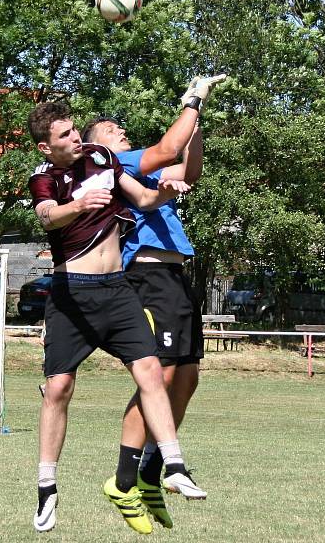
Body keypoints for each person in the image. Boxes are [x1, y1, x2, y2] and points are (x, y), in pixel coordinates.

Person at [27, 93, 212, 535]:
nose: (75, 138)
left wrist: (161, 193)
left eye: (74, 130)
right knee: (59, 388)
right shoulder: (45, 175)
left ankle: (171, 464)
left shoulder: (104, 158)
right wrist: (78, 206)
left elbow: (145, 199)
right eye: (65, 135)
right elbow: (47, 216)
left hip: (118, 290)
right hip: (73, 292)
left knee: (153, 372)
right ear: (46, 146)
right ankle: (47, 486)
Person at [79, 74, 226, 529]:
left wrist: (195, 129)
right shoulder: (110, 161)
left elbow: (189, 170)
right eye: (107, 126)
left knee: (187, 376)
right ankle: (125, 479)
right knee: (156, 376)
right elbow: (166, 149)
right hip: (143, 276)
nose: (117, 128)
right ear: (93, 145)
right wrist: (191, 105)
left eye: (116, 125)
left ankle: (150, 470)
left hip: (175, 277)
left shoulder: (139, 167)